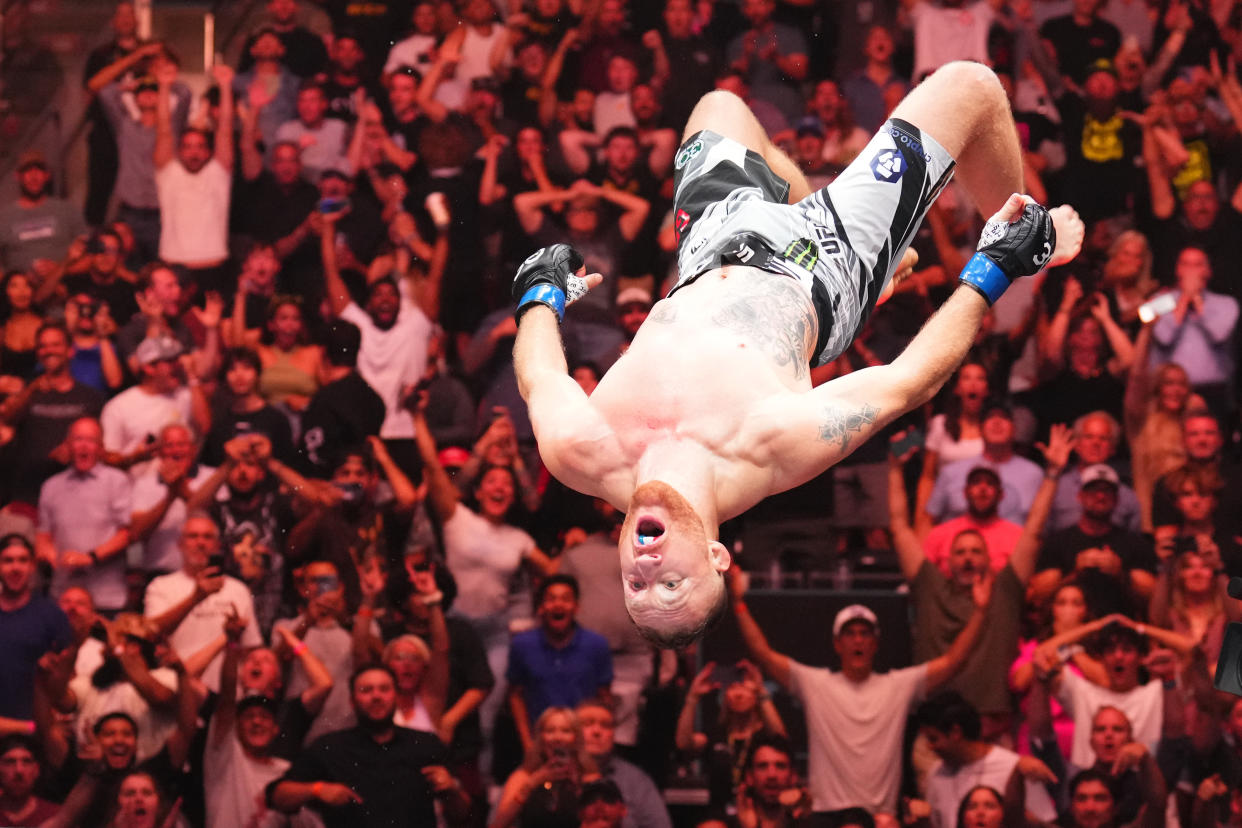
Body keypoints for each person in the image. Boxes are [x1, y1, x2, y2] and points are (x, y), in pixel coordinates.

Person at [511, 64, 1084, 645]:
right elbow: (909, 382)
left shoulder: (578, 451)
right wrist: (995, 267)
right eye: (673, 587)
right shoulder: (769, 449)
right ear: (716, 556)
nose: (648, 574)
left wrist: (539, 293)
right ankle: (1026, 232)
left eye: (637, 590)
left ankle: (811, 204)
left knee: (720, 104)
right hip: (827, 264)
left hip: (713, 240)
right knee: (972, 87)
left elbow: (540, 377)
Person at [730, 566, 990, 817]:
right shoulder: (814, 683)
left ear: (875, 643)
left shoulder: (899, 685)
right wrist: (738, 602)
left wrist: (981, 611)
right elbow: (763, 654)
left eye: (865, 634)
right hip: (827, 816)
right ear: (837, 643)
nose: (857, 640)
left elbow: (953, 662)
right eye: (850, 633)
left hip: (880, 818)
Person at [266, 665, 472, 827]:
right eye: (366, 690)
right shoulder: (330, 747)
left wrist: (451, 789)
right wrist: (317, 789)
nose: (376, 696)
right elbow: (277, 796)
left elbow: (463, 816)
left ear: (396, 697)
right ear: (352, 701)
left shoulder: (426, 744)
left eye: (384, 689)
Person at [143, 513, 262, 691]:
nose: (200, 543)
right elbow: (150, 633)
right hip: (177, 687)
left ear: (217, 545)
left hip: (227, 690)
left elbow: (250, 647)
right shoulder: (160, 586)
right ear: (180, 544)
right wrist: (195, 598)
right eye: (193, 536)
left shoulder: (238, 589)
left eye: (208, 537)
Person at [917, 692, 1057, 828]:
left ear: (955, 732)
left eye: (933, 739)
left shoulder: (1013, 768)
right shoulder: (936, 774)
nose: (930, 747)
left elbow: (1044, 822)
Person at [35, 417, 132, 612]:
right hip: (63, 595)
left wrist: (91, 557)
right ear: (68, 445)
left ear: (101, 447)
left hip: (106, 596)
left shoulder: (117, 481)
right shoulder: (51, 486)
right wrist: (46, 551)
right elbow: (43, 535)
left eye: (91, 440)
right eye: (78, 439)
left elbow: (127, 533)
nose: (84, 446)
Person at [507, 575, 614, 749]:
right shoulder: (522, 645)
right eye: (551, 599)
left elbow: (604, 698)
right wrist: (527, 743)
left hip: (582, 744)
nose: (558, 604)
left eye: (566, 599)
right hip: (540, 741)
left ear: (576, 607)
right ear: (541, 607)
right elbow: (515, 696)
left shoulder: (597, 645)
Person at [674, 656, 787, 811]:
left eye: (744, 687)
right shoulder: (717, 734)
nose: (739, 694)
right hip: (720, 814)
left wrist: (761, 690)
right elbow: (684, 743)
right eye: (733, 688)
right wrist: (693, 696)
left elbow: (780, 737)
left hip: (759, 815)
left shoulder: (764, 736)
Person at [0, 535, 72, 721]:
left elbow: (69, 675)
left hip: (37, 723)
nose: (15, 567)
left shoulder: (51, 614)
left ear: (32, 566)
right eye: (8, 560)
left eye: (23, 560)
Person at [491, 706, 600, 828]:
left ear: (576, 738)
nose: (558, 737)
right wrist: (532, 783)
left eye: (566, 731)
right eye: (550, 731)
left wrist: (578, 787)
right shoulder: (523, 776)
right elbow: (498, 825)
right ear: (541, 737)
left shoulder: (589, 777)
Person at [577, 700, 672, 828]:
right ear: (572, 730)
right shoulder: (556, 775)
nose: (597, 731)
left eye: (606, 725)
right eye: (587, 724)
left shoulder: (635, 779)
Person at [0, 151, 85, 276]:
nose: (34, 176)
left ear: (47, 175)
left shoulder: (67, 210)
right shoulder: (4, 217)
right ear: (18, 176)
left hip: (63, 285)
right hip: (21, 291)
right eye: (27, 170)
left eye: (39, 170)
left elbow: (89, 257)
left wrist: (60, 270)